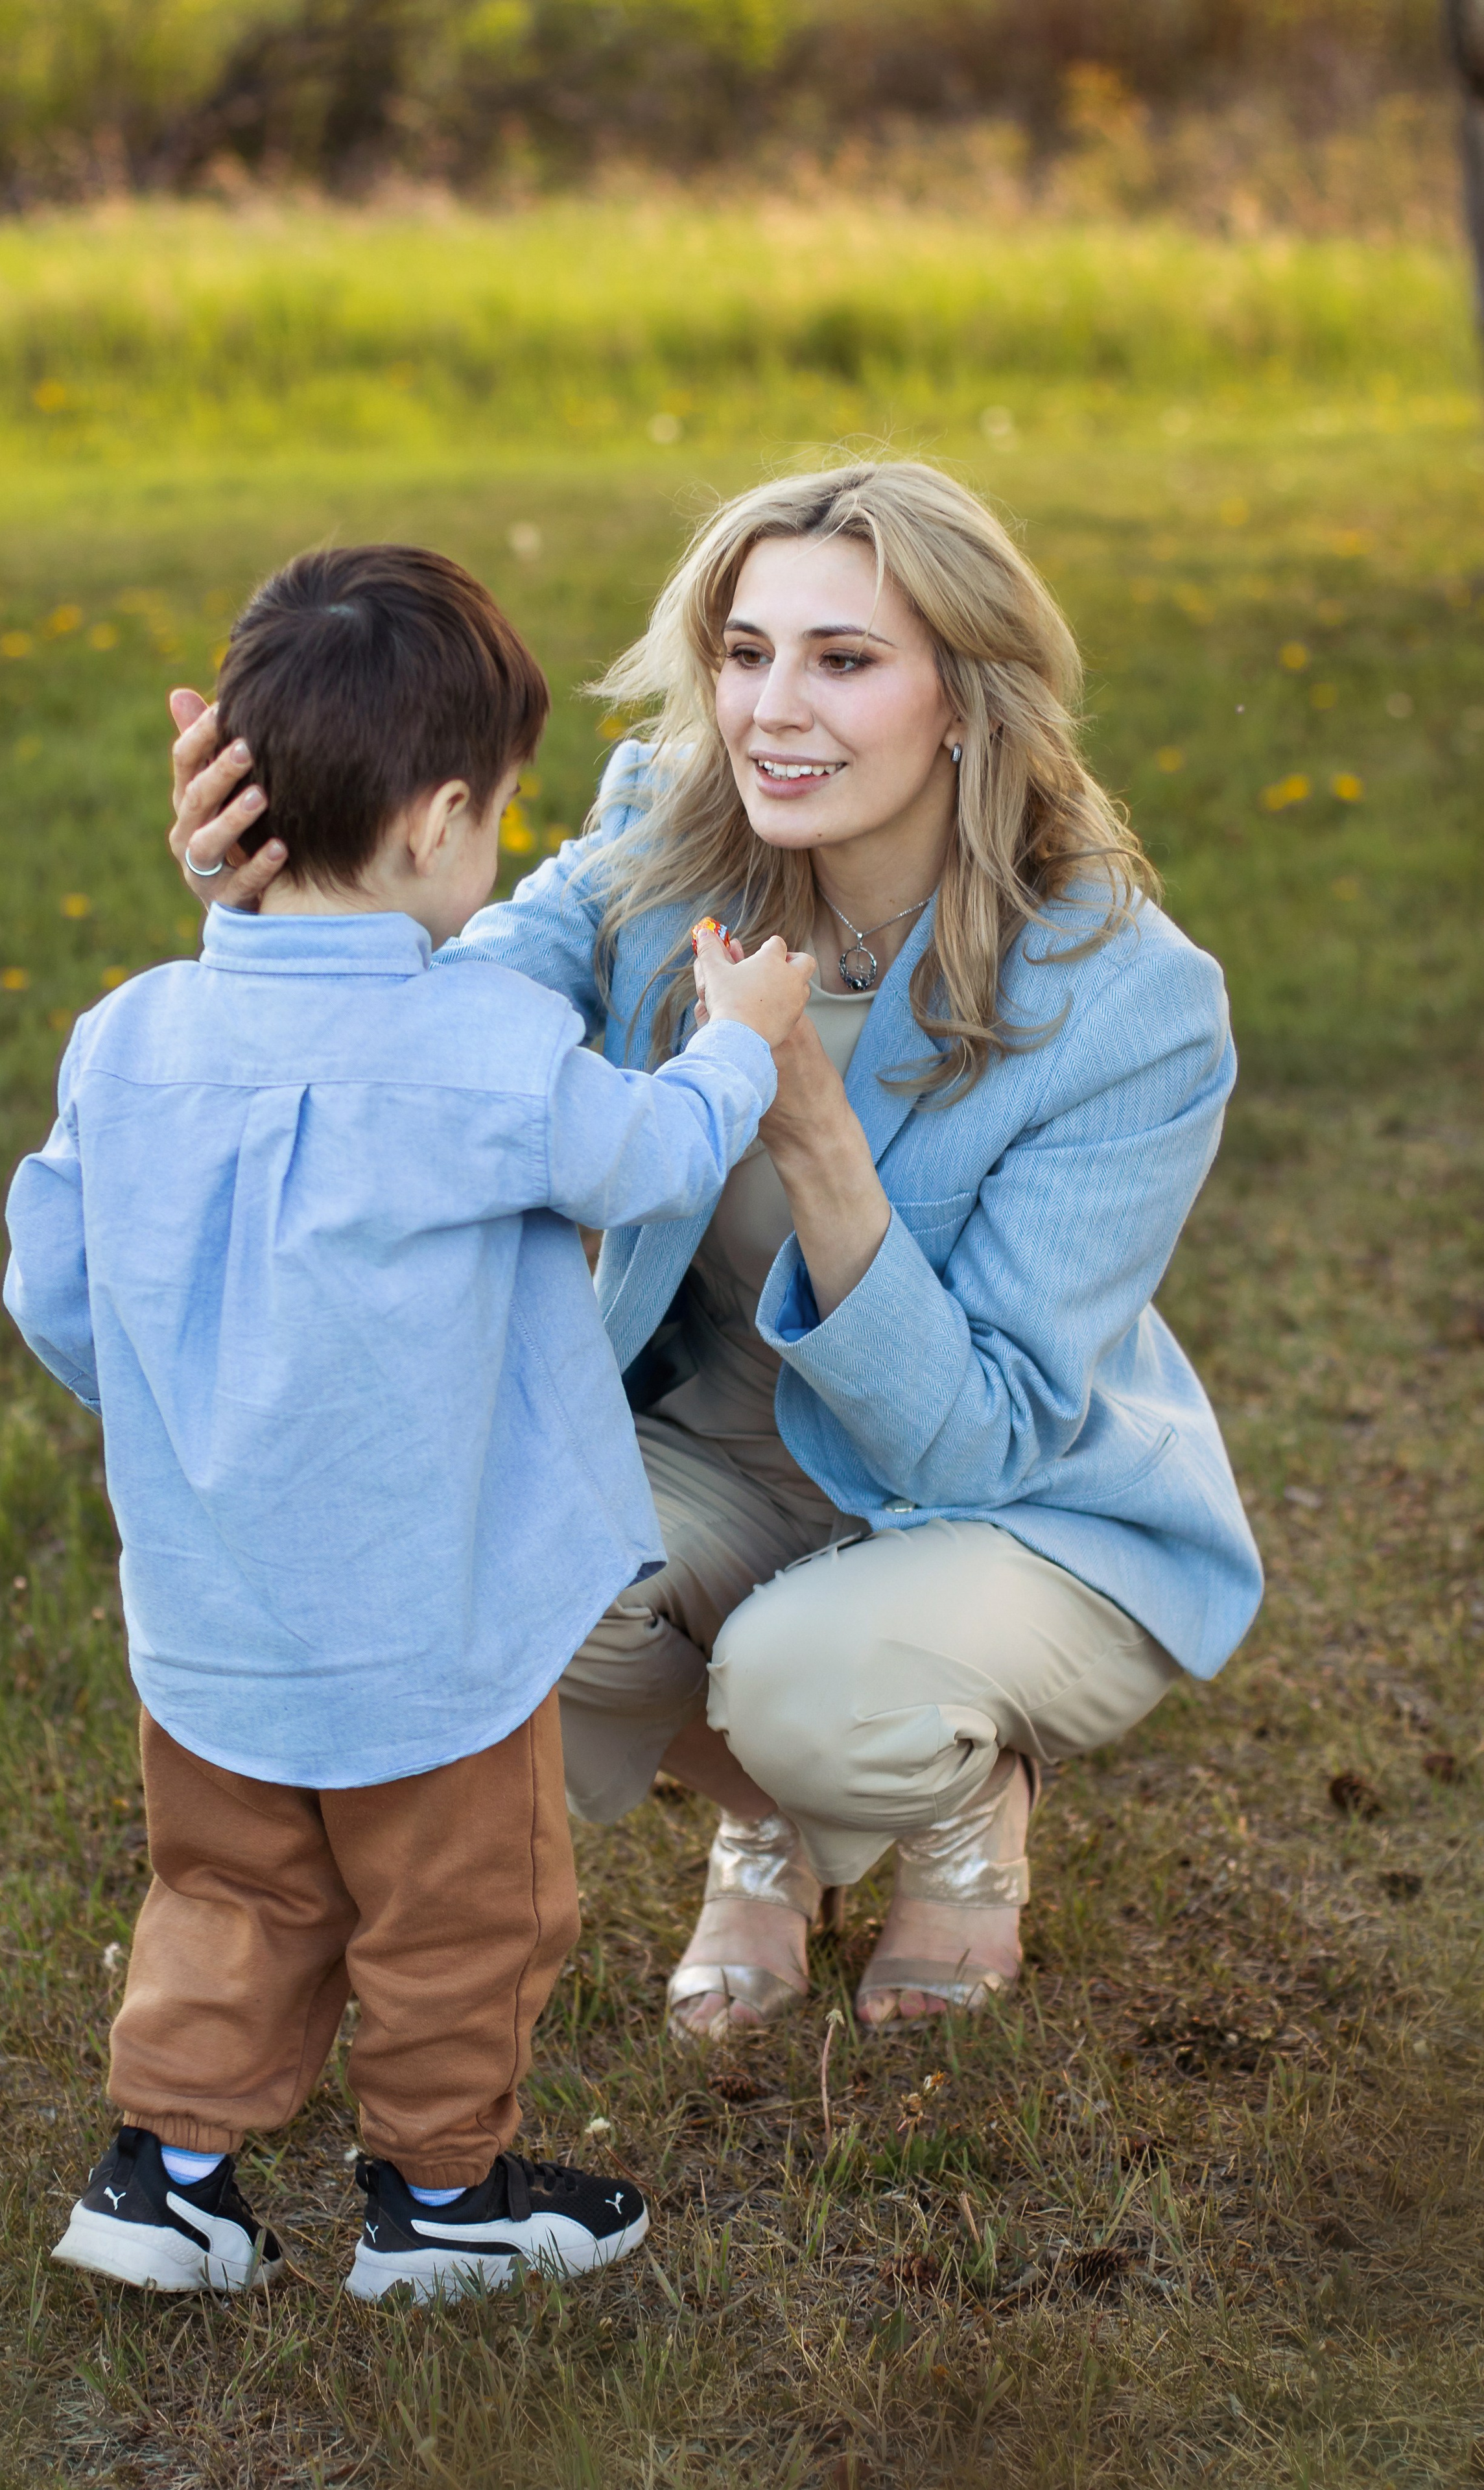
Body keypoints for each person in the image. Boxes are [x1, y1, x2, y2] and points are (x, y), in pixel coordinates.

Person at [166, 459, 1264, 2047]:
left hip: (1013, 1505)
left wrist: (812, 1134)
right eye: (745, 654)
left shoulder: (1128, 1000)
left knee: (810, 1677)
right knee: (475, 1574)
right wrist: (276, 919)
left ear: (964, 697)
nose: (770, 711)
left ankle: (955, 1809)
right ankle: (776, 1812)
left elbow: (977, 1437)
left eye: (843, 660)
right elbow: (456, 1025)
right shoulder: (661, 821)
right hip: (717, 1457)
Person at [3, 541, 815, 2299]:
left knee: (230, 1894)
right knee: (463, 1916)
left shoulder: (125, 1037)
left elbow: (54, 1293)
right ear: (446, 822)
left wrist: (193, 1425)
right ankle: (444, 2200)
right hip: (434, 1627)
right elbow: (658, 1151)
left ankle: (167, 2180)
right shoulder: (482, 1048)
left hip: (212, 1626)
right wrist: (741, 1036)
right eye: (506, 815)